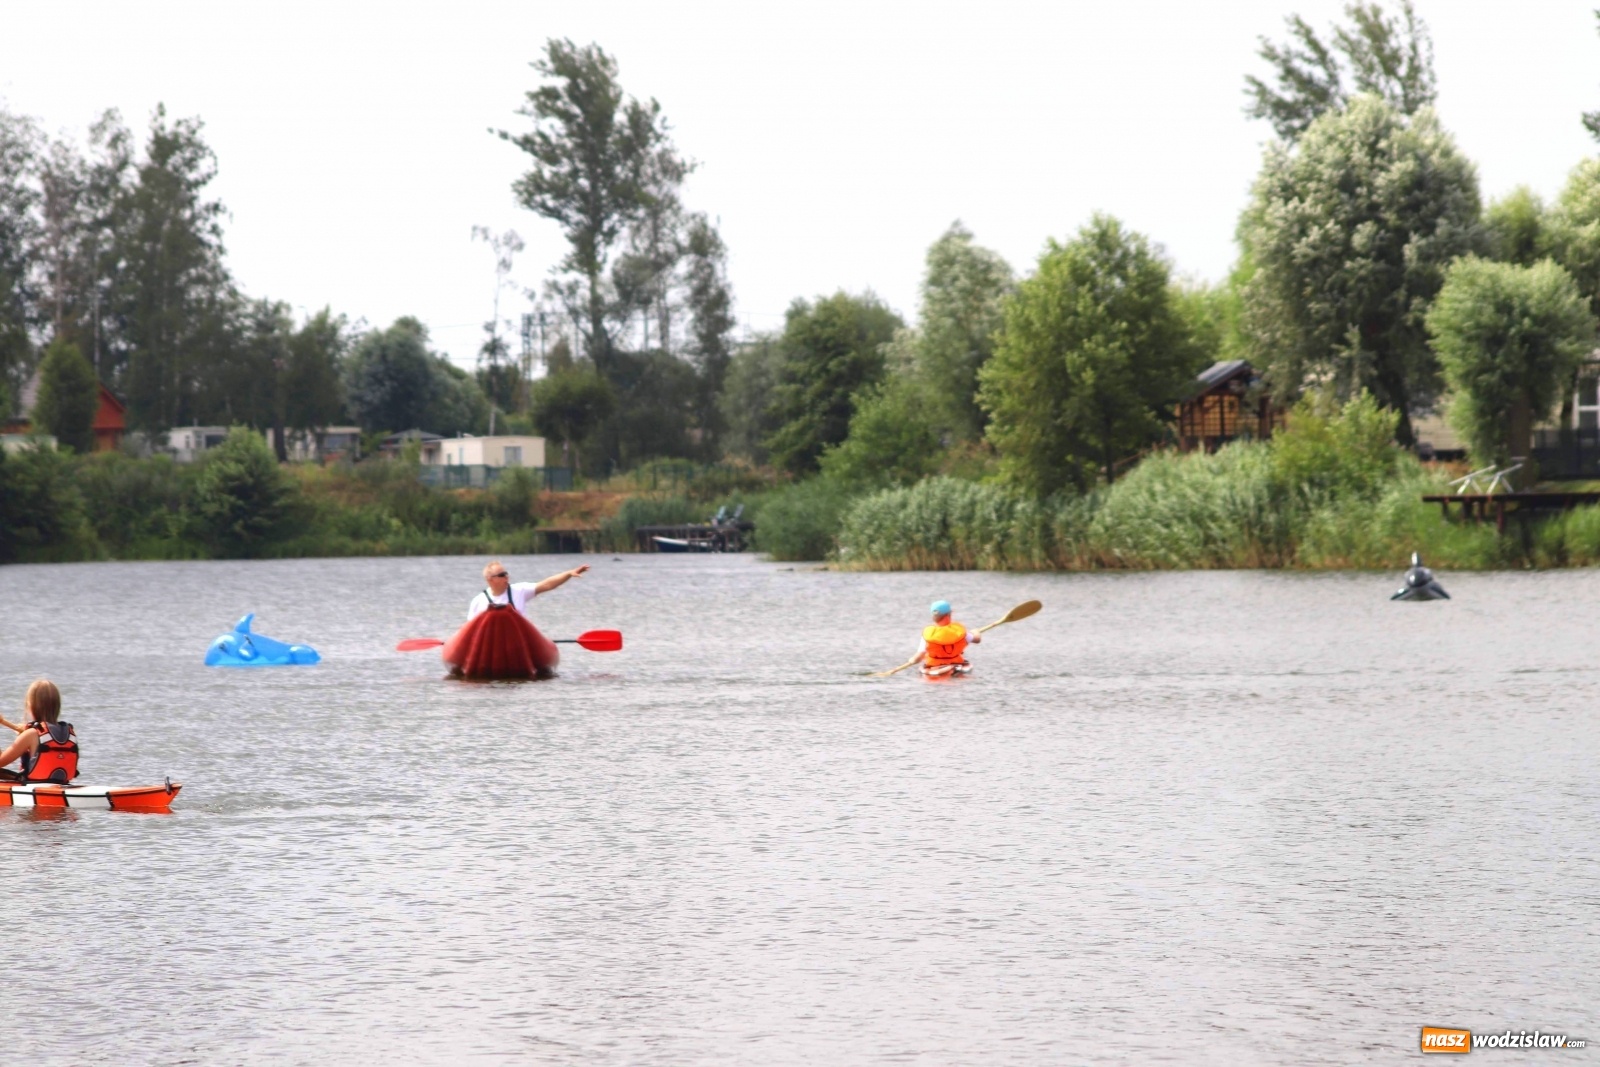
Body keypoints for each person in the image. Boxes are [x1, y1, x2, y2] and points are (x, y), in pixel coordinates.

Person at [0, 679, 79, 784]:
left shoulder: (31, 734)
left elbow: (1, 761)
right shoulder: (69, 733)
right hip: (63, 786)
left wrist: (22, 738)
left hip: (37, 790)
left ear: (32, 706)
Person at [467, 559, 589, 620]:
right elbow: (470, 630)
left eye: (506, 573)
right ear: (490, 579)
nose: (507, 577)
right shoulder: (478, 601)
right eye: (502, 575)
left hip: (517, 640)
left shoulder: (520, 590)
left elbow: (547, 584)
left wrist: (568, 574)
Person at [911, 599, 980, 677]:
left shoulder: (928, 634)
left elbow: (919, 656)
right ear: (949, 614)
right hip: (957, 664)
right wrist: (976, 631)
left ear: (933, 616)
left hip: (934, 667)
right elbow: (977, 639)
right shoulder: (958, 631)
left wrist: (912, 660)